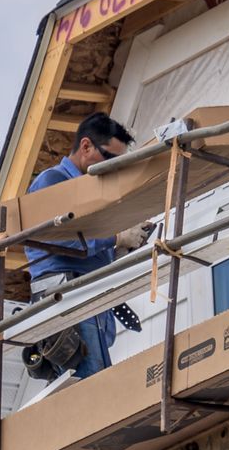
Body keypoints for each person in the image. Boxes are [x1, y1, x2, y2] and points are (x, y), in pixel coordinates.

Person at [23, 112, 146, 380]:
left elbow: (84, 245)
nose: (114, 167)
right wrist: (116, 238)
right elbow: (59, 238)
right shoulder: (53, 181)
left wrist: (116, 249)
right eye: (110, 158)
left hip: (85, 291)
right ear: (86, 146)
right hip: (67, 293)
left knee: (93, 380)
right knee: (88, 383)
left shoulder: (88, 191)